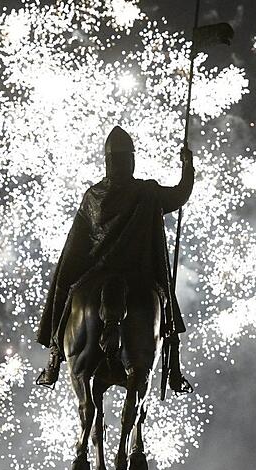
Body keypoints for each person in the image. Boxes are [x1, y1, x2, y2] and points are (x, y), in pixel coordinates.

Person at [35, 125, 193, 393]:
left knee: (65, 292)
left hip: (98, 271)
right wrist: (187, 166)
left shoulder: (93, 196)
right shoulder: (148, 192)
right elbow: (180, 194)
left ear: (108, 161)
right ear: (130, 160)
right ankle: (174, 370)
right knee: (167, 309)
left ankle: (54, 357)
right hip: (139, 272)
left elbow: (76, 245)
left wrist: (68, 275)